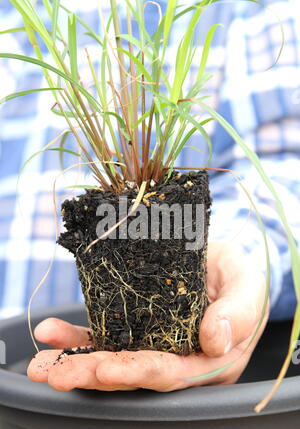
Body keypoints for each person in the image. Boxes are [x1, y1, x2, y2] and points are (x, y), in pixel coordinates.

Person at [0, 0, 299, 392]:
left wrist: (241, 253)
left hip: (194, 420)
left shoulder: (243, 11)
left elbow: (283, 169)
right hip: (19, 400)